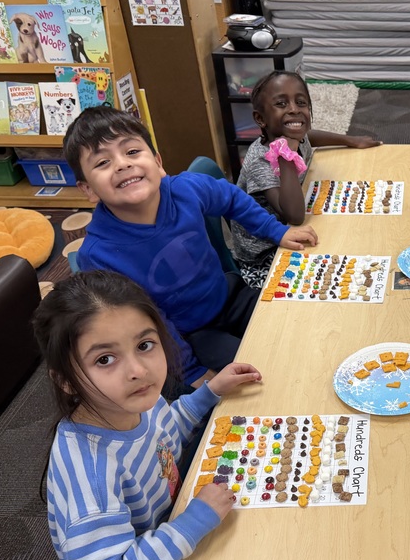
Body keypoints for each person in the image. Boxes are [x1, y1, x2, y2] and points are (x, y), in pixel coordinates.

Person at [33, 270, 262, 560]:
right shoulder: (92, 475)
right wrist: (193, 522)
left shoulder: (137, 401)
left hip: (167, 533)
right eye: (105, 359)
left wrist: (209, 394)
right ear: (65, 381)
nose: (138, 369)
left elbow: (165, 435)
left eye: (144, 345)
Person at [63, 106, 317, 389]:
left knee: (298, 325)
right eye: (102, 163)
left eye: (132, 152)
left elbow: (231, 198)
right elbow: (143, 321)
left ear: (158, 162)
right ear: (87, 189)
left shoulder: (185, 188)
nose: (122, 164)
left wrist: (277, 232)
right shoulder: (98, 255)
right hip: (190, 335)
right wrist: (192, 372)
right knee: (261, 372)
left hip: (231, 295)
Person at [234, 70, 382, 289]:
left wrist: (350, 140)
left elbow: (308, 136)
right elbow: (294, 216)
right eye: (281, 104)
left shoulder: (293, 135)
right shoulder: (260, 161)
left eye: (301, 103)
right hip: (264, 255)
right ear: (260, 119)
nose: (294, 109)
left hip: (291, 226)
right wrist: (286, 157)